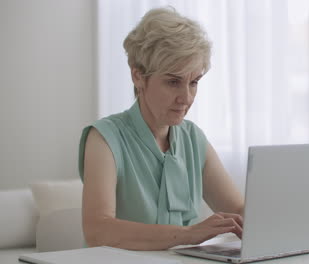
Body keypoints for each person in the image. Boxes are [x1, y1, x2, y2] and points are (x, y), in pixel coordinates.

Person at [78, 7, 244, 251]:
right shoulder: (104, 138)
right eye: (173, 82)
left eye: (194, 82)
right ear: (138, 77)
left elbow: (238, 211)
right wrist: (188, 234)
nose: (186, 98)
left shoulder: (193, 138)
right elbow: (97, 230)